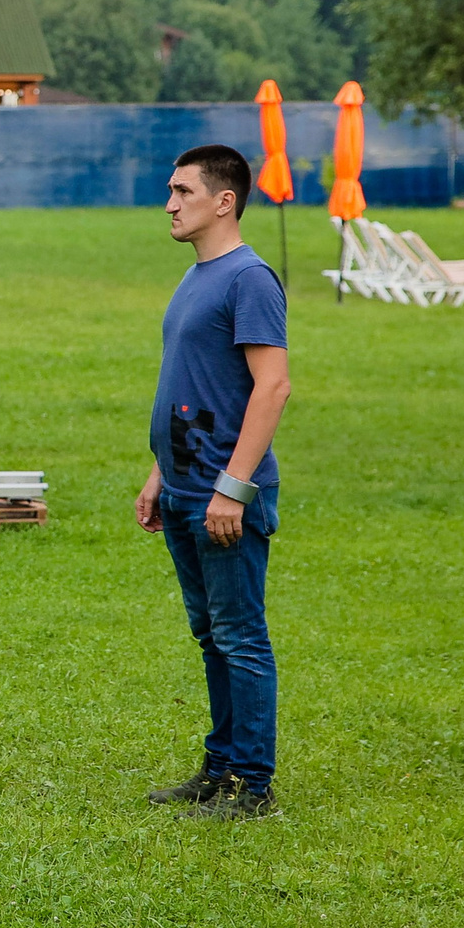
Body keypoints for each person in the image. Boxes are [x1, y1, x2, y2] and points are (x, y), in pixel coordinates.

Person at [136, 143, 292, 821]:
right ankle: (220, 765)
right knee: (212, 633)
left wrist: (233, 487)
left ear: (223, 200)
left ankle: (252, 786)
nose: (170, 203)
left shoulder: (248, 278)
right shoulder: (196, 276)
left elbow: (273, 385)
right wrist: (157, 474)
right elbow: (191, 387)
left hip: (222, 495)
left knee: (240, 634)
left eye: (182, 191)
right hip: (182, 488)